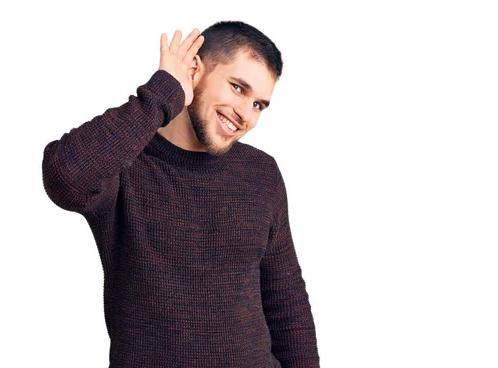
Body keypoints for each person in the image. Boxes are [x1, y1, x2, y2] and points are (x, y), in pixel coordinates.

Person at [41, 21, 320, 368]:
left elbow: (286, 302)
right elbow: (66, 176)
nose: (246, 115)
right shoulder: (127, 163)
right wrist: (162, 93)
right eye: (237, 88)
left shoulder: (261, 173)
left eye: (259, 104)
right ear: (194, 70)